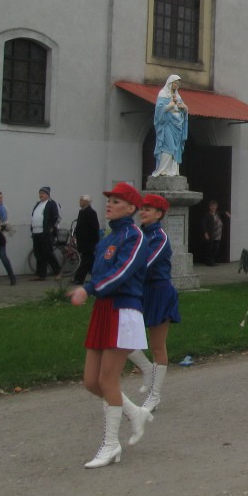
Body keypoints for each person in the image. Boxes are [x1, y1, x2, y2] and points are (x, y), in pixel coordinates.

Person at [67, 182, 152, 469]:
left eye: (116, 201)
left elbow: (123, 273)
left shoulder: (135, 236)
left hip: (124, 311)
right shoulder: (107, 237)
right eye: (109, 200)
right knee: (92, 381)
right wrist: (91, 289)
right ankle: (135, 412)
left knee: (107, 381)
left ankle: (111, 444)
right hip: (104, 310)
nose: (109, 204)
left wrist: (88, 289)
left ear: (131, 208)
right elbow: (102, 269)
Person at [126, 194, 180, 412]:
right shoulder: (138, 234)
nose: (143, 212)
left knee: (157, 345)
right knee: (124, 340)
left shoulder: (160, 237)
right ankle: (148, 369)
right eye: (142, 208)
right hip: (140, 293)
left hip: (159, 292)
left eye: (148, 209)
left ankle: (154, 396)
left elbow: (144, 264)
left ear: (159, 214)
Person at [151, 74, 189, 178]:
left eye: (178, 84)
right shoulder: (163, 94)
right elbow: (158, 111)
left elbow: (182, 108)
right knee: (168, 146)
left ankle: (173, 170)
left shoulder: (177, 96)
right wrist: (169, 106)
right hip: (167, 123)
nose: (176, 85)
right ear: (170, 83)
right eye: (175, 83)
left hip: (177, 124)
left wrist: (185, 109)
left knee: (176, 148)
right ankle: (163, 169)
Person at [30, 186, 61, 280]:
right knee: (38, 253)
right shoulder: (38, 204)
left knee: (48, 252)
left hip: (46, 232)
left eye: (43, 193)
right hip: (36, 232)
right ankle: (40, 274)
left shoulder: (51, 204)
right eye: (40, 193)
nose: (41, 195)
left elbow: (57, 217)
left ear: (47, 194)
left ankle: (57, 271)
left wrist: (52, 227)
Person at [72, 195, 101, 285]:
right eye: (80, 200)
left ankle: (79, 278)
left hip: (89, 241)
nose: (80, 201)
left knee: (86, 260)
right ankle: (98, 277)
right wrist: (75, 234)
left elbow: (95, 228)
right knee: (90, 261)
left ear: (88, 202)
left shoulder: (91, 212)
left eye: (82, 200)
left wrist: (95, 241)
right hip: (82, 241)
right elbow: (79, 226)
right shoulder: (81, 212)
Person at [201, 199, 224, 266]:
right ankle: (209, 262)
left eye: (214, 206)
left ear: (216, 207)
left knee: (216, 248)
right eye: (211, 206)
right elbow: (203, 224)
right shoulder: (207, 215)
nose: (213, 208)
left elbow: (222, 213)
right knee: (210, 249)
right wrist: (205, 233)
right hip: (211, 234)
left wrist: (227, 213)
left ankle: (213, 261)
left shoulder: (218, 213)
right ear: (209, 207)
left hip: (218, 235)